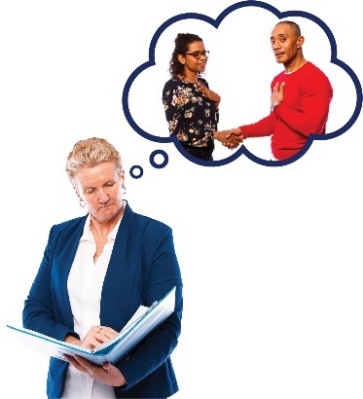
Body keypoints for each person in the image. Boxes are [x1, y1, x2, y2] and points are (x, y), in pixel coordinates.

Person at [22, 137, 183, 399]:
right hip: (68, 388)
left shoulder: (154, 236)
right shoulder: (60, 236)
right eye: (90, 190)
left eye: (109, 184)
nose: (104, 197)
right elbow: (34, 311)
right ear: (78, 192)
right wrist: (76, 345)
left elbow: (168, 325)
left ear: (123, 177)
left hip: (134, 386)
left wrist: (123, 374)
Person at [219, 20, 333, 161]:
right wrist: (244, 132)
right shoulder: (278, 80)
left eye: (282, 40)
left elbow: (312, 129)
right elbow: (276, 121)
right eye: (273, 41)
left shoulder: (316, 79)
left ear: (299, 41)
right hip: (278, 160)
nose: (276, 46)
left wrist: (279, 106)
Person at [162, 33, 241, 161]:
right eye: (196, 54)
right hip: (187, 155)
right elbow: (177, 132)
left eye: (204, 53)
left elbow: (207, 120)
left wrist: (216, 102)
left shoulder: (203, 84)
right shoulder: (173, 87)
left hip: (208, 154)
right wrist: (216, 135)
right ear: (182, 58)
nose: (203, 57)